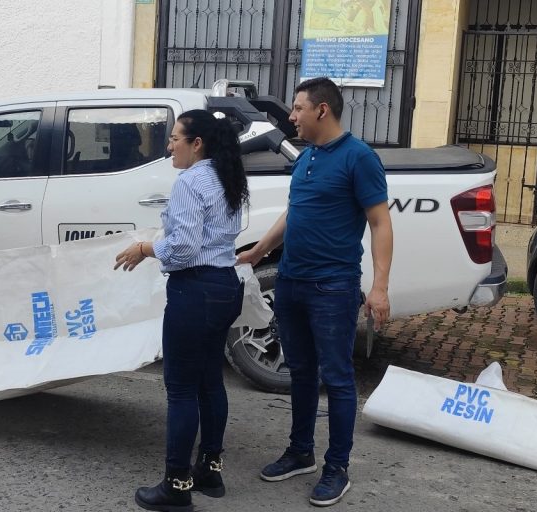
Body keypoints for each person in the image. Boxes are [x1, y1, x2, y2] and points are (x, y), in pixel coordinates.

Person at [237, 77, 393, 507]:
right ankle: (300, 451)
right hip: (291, 281)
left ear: (322, 110)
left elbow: (380, 223)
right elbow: (295, 212)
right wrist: (259, 250)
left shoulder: (359, 158)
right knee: (300, 373)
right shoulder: (307, 158)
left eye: (298, 108)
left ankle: (336, 468)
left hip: (333, 286)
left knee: (338, 379)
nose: (291, 116)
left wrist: (379, 287)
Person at [115, 109, 248, 512]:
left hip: (196, 291)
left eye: (175, 138)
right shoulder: (227, 176)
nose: (169, 145)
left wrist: (146, 248)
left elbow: (185, 247)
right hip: (225, 287)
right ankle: (210, 469)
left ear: (197, 144)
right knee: (210, 381)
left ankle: (176, 486)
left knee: (182, 389)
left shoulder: (191, 181)